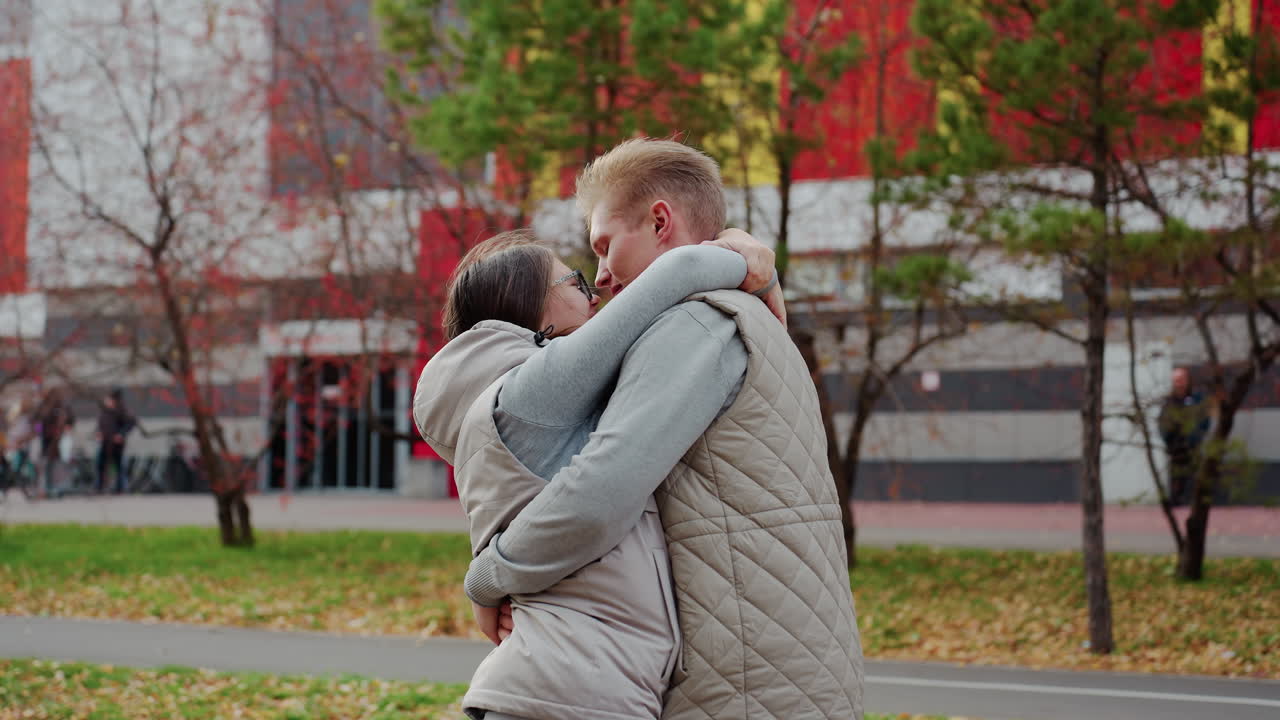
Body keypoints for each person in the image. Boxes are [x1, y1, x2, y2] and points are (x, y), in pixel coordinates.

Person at [462, 139, 863, 719]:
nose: (599, 277)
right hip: (774, 670)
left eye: (604, 247)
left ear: (659, 221)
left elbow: (597, 495)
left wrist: (488, 578)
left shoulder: (694, 324)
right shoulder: (742, 314)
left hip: (744, 683)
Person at [414, 227, 780, 720]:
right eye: (577, 282)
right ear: (533, 306)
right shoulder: (532, 392)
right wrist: (753, 261)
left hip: (568, 689)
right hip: (568, 694)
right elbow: (685, 270)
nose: (596, 295)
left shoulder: (518, 402)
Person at [1158, 367, 1210, 506]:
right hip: (1175, 446)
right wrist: (1168, 439)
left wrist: (1197, 437)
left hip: (1193, 445)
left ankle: (1198, 502)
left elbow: (1204, 420)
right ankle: (1176, 501)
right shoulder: (1169, 401)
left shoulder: (1196, 399)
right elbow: (1162, 422)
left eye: (1181, 380)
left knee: (1197, 474)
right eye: (1175, 380)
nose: (1178, 383)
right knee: (1177, 475)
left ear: (1187, 380)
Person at [35, 387, 75, 497]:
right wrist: (38, 432)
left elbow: (69, 420)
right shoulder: (43, 407)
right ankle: (47, 488)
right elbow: (37, 421)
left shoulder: (61, 407)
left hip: (58, 439)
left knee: (57, 463)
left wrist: (66, 427)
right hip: (46, 439)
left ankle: (57, 487)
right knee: (46, 464)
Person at [96, 388, 135, 494]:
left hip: (116, 444)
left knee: (119, 466)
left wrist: (121, 434)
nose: (106, 401)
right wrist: (99, 433)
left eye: (108, 399)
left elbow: (130, 423)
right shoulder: (105, 412)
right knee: (101, 465)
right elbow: (101, 425)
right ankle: (100, 487)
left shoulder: (121, 411)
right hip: (105, 442)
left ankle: (120, 487)